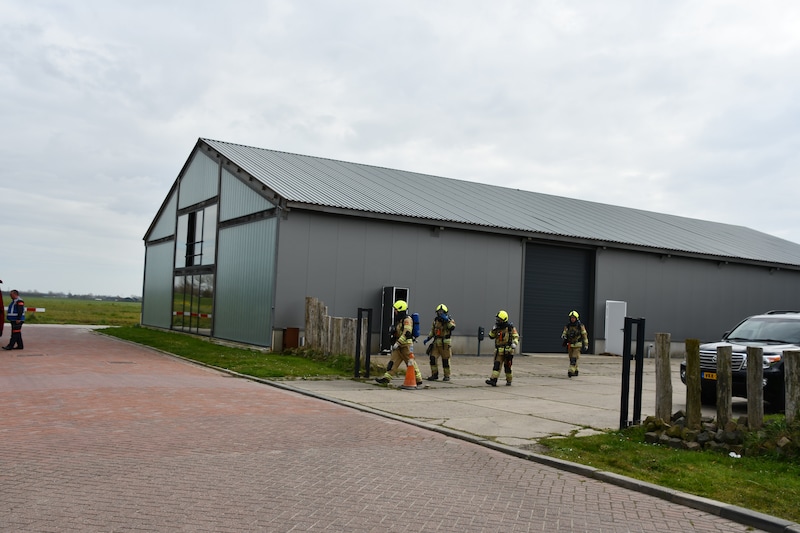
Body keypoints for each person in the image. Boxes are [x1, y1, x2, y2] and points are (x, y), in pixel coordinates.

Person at [375, 300, 422, 385]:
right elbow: (399, 332)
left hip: (406, 346)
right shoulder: (400, 320)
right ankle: (386, 378)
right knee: (393, 362)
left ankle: (418, 379)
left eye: (396, 310)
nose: (395, 311)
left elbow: (406, 333)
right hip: (399, 346)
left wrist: (398, 343)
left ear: (400, 310)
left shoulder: (407, 320)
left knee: (410, 362)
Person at [485, 310, 519, 386]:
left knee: (508, 367)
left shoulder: (510, 328)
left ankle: (509, 380)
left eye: (499, 320)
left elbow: (516, 336)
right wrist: (493, 330)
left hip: (508, 351)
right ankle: (493, 380)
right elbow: (491, 336)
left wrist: (514, 343)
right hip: (499, 351)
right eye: (497, 319)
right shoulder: (497, 328)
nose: (497, 321)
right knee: (496, 366)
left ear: (504, 320)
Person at [424, 304, 456, 381]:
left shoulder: (449, 320)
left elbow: (452, 327)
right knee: (432, 358)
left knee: (445, 360)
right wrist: (428, 338)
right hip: (436, 342)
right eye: (439, 312)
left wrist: (447, 320)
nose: (440, 313)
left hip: (445, 343)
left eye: (442, 312)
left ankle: (447, 375)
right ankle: (434, 374)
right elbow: (433, 331)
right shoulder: (436, 321)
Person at [561, 310, 588, 377]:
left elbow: (584, 335)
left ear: (576, 318)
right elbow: (564, 332)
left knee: (574, 358)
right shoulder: (568, 326)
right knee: (571, 358)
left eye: (573, 318)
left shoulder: (580, 326)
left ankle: (571, 371)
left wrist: (586, 344)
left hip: (577, 345)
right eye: (571, 318)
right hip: (570, 345)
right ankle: (576, 370)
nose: (572, 319)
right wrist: (564, 336)